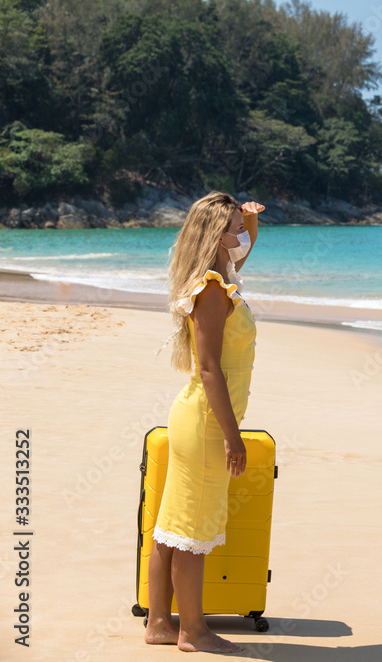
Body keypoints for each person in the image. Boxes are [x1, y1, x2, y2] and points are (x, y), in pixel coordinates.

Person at [145, 191, 265, 653]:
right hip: (207, 423)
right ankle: (192, 632)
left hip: (200, 417)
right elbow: (210, 367)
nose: (241, 237)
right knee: (190, 530)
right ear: (216, 235)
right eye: (234, 227)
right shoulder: (213, 290)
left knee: (172, 526)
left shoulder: (217, 278)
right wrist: (234, 439)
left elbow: (242, 249)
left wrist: (250, 221)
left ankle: (159, 623)